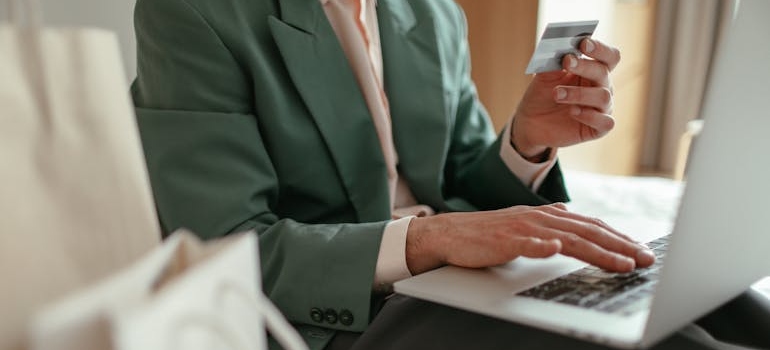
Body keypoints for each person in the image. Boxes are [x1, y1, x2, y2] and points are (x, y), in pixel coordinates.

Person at [130, 0, 769, 349]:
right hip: (347, 314)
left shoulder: (431, 12)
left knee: (702, 301)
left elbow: (460, 176)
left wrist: (525, 143)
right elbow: (223, 248)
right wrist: (428, 241)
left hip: (467, 281)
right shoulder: (192, 13)